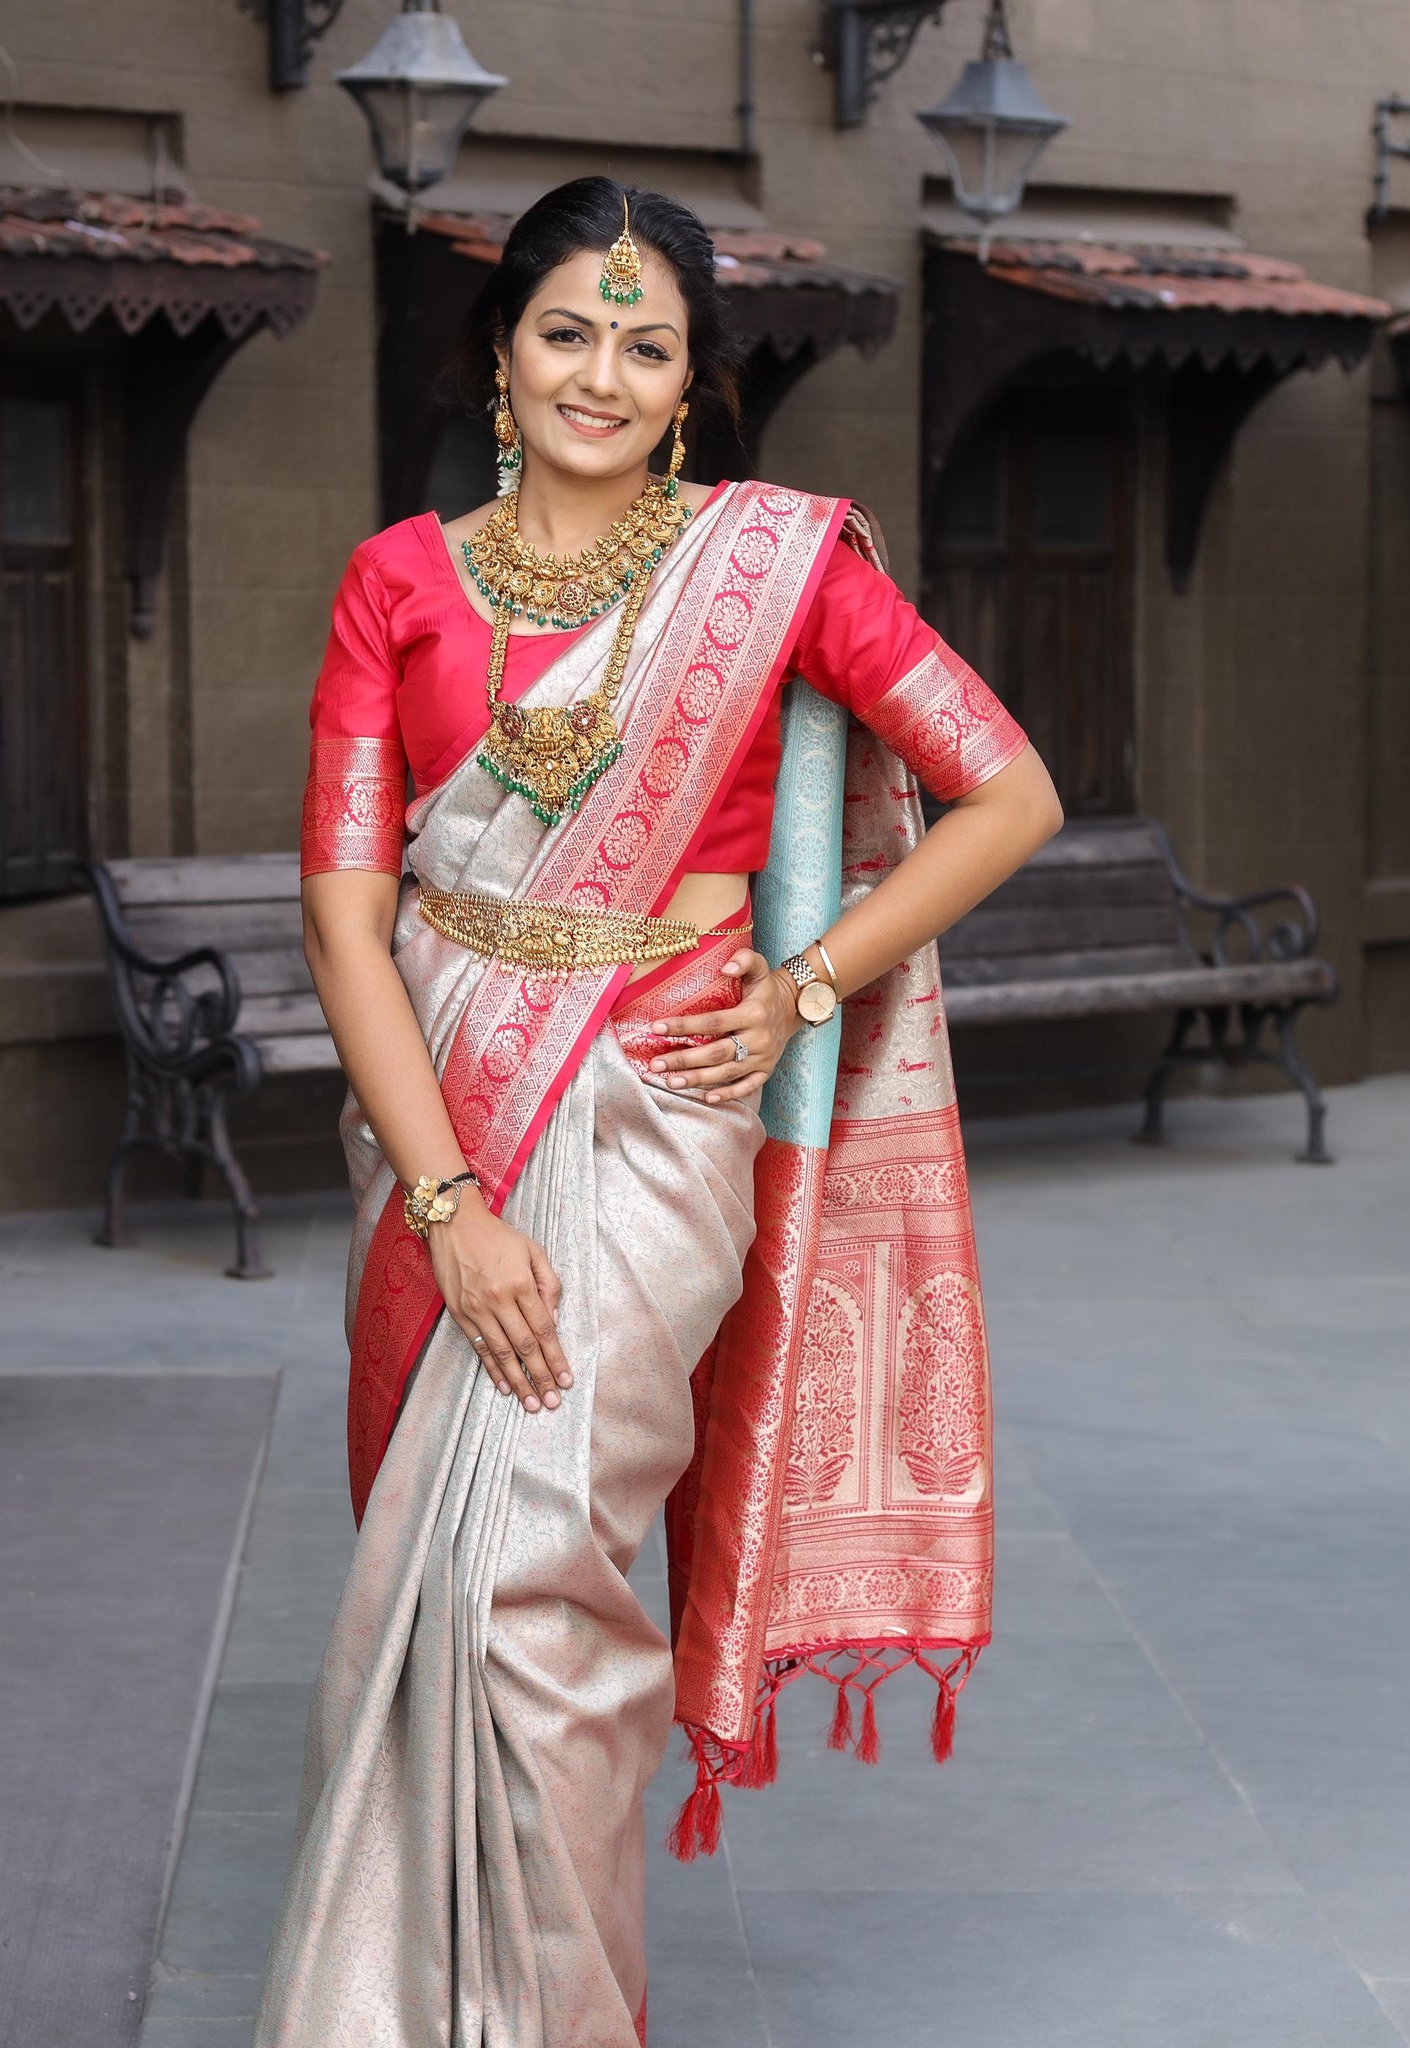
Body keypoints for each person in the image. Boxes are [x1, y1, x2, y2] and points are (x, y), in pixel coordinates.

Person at [257, 178, 1064, 2048]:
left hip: (645, 1119)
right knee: (425, 1593)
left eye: (647, 345)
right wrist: (450, 1200)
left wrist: (803, 983)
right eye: (567, 332)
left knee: (531, 1594)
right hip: (441, 1121)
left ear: (691, 383)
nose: (601, 375)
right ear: (499, 357)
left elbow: (1005, 793)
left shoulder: (779, 568)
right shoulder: (399, 582)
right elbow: (342, 914)